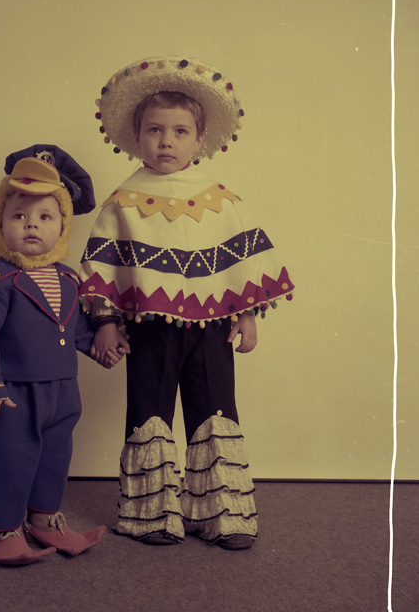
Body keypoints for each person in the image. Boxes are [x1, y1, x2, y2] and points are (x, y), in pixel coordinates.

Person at [80, 57, 295, 550]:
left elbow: (241, 260)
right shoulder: (123, 202)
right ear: (137, 136)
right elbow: (103, 267)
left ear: (199, 140)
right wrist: (106, 323)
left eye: (180, 132)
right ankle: (151, 514)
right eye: (155, 130)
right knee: (150, 412)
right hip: (150, 329)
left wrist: (247, 314)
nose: (166, 141)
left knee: (215, 410)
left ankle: (222, 514)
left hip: (212, 330)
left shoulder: (220, 200)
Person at [0, 145, 126, 565]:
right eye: (19, 216)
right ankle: (5, 531)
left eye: (45, 217)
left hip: (62, 390)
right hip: (13, 393)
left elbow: (73, 328)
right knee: (9, 459)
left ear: (63, 228)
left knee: (54, 457)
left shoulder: (68, 280)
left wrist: (100, 347)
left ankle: (45, 520)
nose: (31, 224)